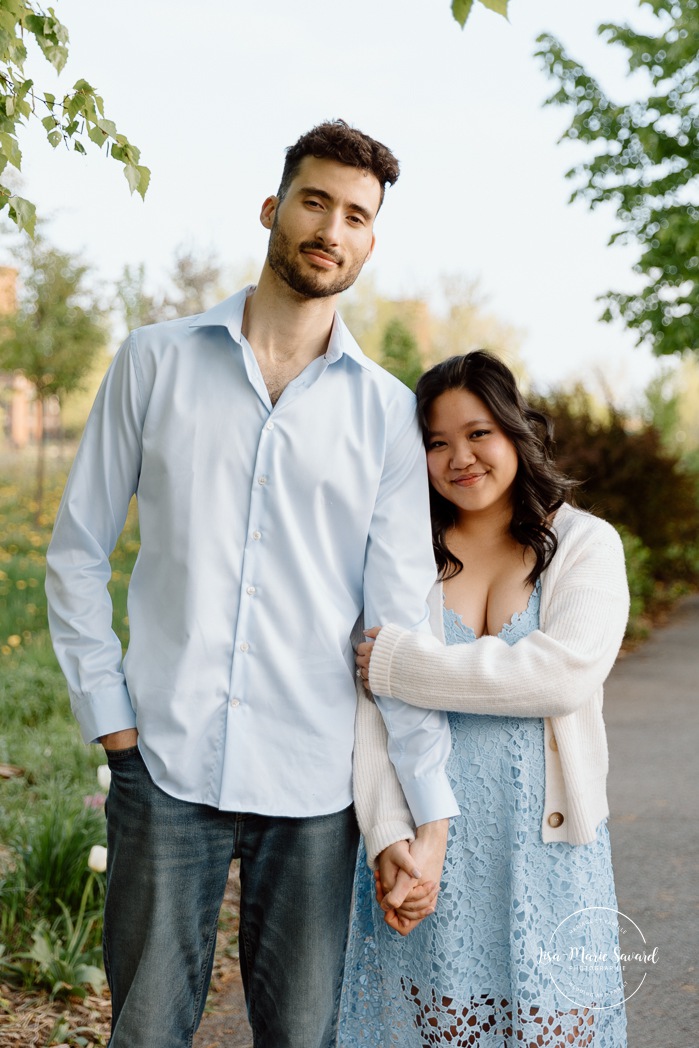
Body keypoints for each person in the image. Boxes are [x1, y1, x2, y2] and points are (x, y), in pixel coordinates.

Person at [45, 119, 459, 1048]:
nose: (332, 228)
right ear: (274, 208)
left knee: (303, 1036)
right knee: (146, 1031)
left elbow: (401, 621)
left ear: (370, 242)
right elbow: (77, 550)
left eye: (356, 215)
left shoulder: (386, 411)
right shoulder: (153, 361)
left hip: (313, 781)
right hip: (163, 762)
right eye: (315, 201)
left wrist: (422, 809)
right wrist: (110, 718)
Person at [341, 350, 629, 1046]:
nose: (458, 458)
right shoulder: (402, 555)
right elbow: (370, 715)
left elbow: (558, 675)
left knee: (556, 1030)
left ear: (514, 431)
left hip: (549, 852)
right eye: (435, 442)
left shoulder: (584, 545)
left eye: (477, 433)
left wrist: (401, 664)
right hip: (428, 847)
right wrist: (386, 837)